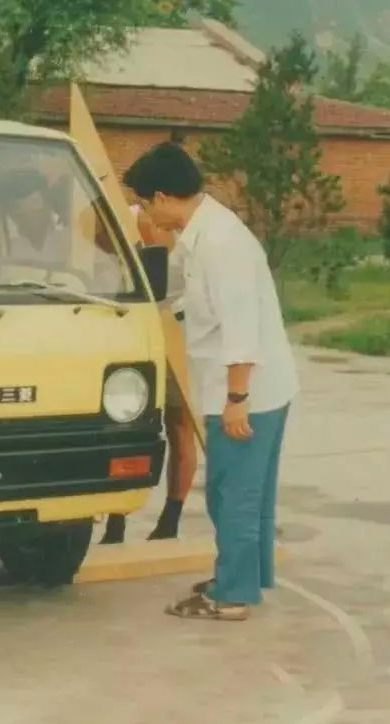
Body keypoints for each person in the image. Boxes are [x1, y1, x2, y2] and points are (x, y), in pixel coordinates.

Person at [123, 143, 298, 621]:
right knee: (248, 494)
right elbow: (183, 295)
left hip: (245, 391)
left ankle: (231, 596)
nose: (144, 213)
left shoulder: (220, 244)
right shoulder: (203, 233)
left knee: (232, 495)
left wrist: (237, 398)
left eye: (143, 203)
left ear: (162, 197)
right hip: (253, 386)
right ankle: (246, 577)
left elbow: (241, 328)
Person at [99, 204, 198, 543]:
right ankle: (116, 522)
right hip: (134, 330)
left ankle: (170, 521)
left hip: (176, 331)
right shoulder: (123, 215)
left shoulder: (194, 229)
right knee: (126, 428)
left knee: (180, 427)